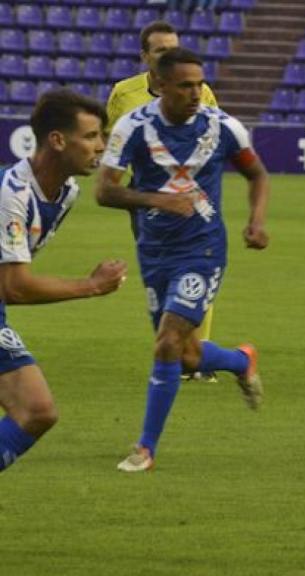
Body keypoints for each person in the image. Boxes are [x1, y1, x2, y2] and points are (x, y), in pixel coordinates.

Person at [96, 48, 270, 473]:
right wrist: (152, 198)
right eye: (186, 85)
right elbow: (104, 190)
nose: (196, 93)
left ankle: (145, 448)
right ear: (160, 84)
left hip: (203, 249)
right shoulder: (132, 128)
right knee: (186, 356)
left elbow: (256, 174)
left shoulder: (222, 126)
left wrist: (256, 221)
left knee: (167, 342)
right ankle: (240, 359)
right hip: (155, 252)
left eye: (200, 84)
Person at [0, 90, 128, 473]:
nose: (101, 147)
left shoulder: (67, 192)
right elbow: (15, 286)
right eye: (90, 137)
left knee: (36, 411)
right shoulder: (12, 193)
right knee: (34, 408)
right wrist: (91, 286)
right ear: (57, 140)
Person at [107, 20, 220, 381]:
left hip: (192, 203)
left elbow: (213, 140)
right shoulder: (124, 95)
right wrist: (129, 198)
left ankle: (193, 356)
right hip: (145, 203)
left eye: (173, 48)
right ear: (145, 56)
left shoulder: (202, 92)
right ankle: (178, 351)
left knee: (195, 270)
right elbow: (115, 150)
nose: (169, 55)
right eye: (160, 50)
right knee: (160, 277)